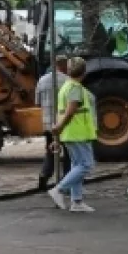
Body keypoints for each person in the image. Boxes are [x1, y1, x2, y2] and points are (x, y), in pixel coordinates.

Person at [48, 57, 98, 213]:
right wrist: (60, 127)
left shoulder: (66, 87)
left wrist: (58, 133)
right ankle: (59, 189)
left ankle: (77, 202)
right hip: (78, 133)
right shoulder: (75, 88)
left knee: (77, 166)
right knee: (86, 165)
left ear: (68, 71)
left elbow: (62, 112)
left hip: (71, 133)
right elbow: (70, 111)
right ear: (84, 71)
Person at [36, 56, 71, 191]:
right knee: (68, 153)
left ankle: (43, 176)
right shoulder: (68, 81)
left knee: (50, 152)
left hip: (48, 123)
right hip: (64, 123)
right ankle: (67, 181)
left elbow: (38, 102)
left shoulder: (42, 80)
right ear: (65, 66)